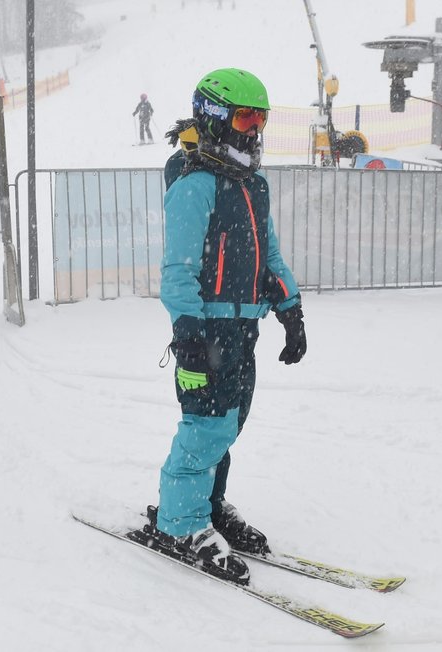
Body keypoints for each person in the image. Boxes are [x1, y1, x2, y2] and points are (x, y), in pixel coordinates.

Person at [143, 69, 307, 583]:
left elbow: (270, 255)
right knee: (205, 426)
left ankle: (208, 506)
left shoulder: (252, 184)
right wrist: (187, 332)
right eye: (244, 116)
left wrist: (291, 309)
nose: (254, 129)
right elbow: (178, 271)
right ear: (215, 117)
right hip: (206, 333)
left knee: (228, 425)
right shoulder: (194, 186)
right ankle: (180, 523)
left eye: (261, 118)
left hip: (243, 331)